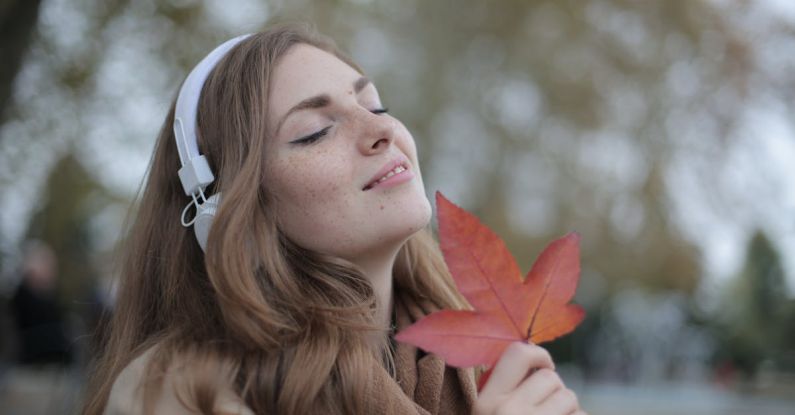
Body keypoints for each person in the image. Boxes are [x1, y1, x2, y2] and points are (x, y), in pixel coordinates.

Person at [83, 23, 584, 415]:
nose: (382, 128)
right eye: (315, 132)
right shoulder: (179, 390)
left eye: (375, 104)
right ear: (222, 212)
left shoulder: (481, 366)